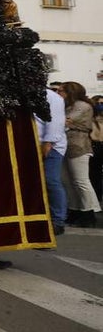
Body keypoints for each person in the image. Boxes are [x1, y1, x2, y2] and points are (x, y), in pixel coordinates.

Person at [60, 82, 100, 227]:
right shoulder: (68, 105)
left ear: (70, 92)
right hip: (66, 144)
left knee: (80, 180)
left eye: (61, 91)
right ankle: (75, 209)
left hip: (79, 145)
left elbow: (66, 120)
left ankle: (88, 212)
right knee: (67, 181)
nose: (59, 94)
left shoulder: (82, 106)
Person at [38, 85, 68, 235]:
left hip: (51, 146)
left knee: (51, 181)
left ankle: (58, 220)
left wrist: (48, 143)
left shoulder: (51, 96)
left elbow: (55, 121)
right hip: (33, 145)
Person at [90, 95, 103, 204]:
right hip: (95, 146)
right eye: (98, 103)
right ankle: (97, 198)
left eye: (102, 103)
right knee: (95, 173)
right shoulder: (90, 118)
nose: (100, 106)